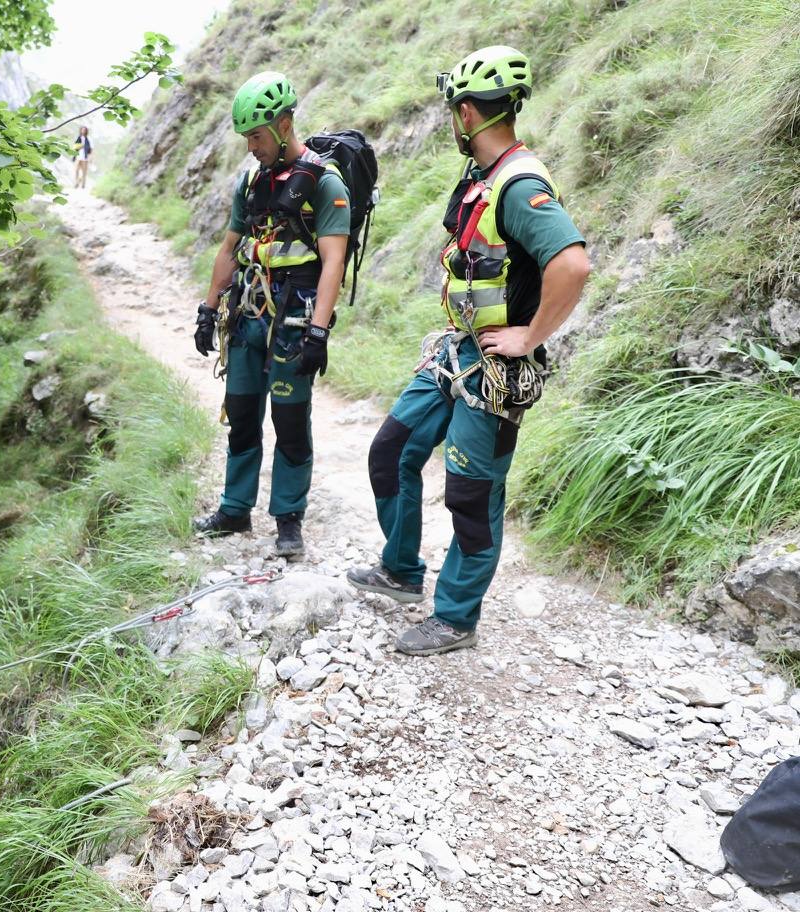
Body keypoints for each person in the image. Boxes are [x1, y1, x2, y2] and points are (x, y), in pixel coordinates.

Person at [347, 46, 591, 656]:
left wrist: (530, 337)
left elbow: (572, 263)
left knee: (470, 493)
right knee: (391, 452)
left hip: (496, 369)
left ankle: (455, 617)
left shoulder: (518, 184)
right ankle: (401, 571)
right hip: (457, 352)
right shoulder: (483, 175)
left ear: (464, 112)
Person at [192, 71, 350, 558]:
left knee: (288, 418)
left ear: (284, 125)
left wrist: (318, 333)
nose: (251, 147)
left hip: (294, 320)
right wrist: (208, 306)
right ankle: (235, 510)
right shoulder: (251, 182)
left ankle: (288, 520)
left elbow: (333, 262)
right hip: (247, 313)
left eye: (256, 136)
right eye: (245, 138)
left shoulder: (325, 183)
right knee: (241, 415)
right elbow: (228, 247)